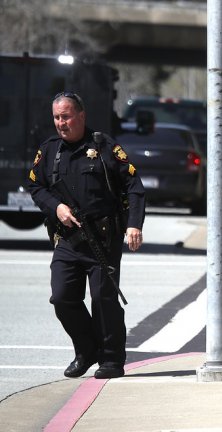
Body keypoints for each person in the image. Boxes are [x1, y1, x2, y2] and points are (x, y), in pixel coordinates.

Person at [28, 92, 146, 379]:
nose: (61, 123)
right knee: (62, 297)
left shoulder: (103, 146)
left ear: (81, 116)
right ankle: (86, 349)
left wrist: (134, 224)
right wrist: (56, 207)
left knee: (103, 299)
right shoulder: (50, 150)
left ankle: (111, 359)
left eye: (66, 116)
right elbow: (35, 186)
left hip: (103, 238)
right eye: (56, 117)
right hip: (68, 239)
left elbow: (133, 184)